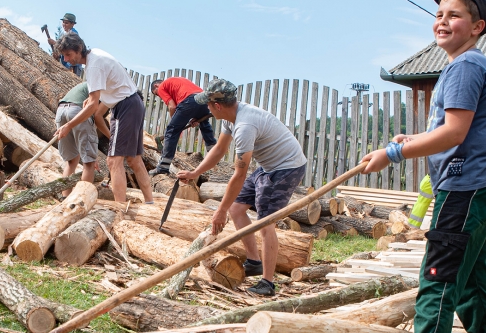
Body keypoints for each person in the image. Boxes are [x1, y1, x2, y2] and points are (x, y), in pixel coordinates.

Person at [360, 0, 486, 333]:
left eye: (454, 15)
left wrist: (392, 153)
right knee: (474, 285)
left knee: (438, 280)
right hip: (480, 184)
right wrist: (414, 138)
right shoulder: (467, 66)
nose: (442, 21)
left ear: (477, 27)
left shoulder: (465, 67)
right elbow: (453, 128)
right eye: (439, 14)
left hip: (464, 187)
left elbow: (454, 133)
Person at [177, 79, 307, 296]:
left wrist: (220, 211)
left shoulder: (245, 126)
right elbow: (219, 150)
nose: (206, 108)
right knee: (237, 209)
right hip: (268, 166)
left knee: (265, 223)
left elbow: (239, 174)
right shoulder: (231, 116)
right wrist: (195, 173)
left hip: (286, 168)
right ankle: (254, 262)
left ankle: (267, 283)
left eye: (208, 104)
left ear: (217, 105)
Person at [53, 32, 154, 204]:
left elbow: (93, 106)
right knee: (134, 158)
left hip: (126, 106)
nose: (66, 59)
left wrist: (69, 125)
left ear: (78, 49)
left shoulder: (93, 65)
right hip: (129, 103)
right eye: (64, 55)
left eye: (68, 54)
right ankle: (150, 203)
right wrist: (93, 99)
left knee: (113, 160)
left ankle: (119, 209)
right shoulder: (95, 58)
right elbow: (103, 91)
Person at [149, 76, 216, 175]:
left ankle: (163, 167)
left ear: (156, 85)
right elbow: (192, 102)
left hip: (189, 101)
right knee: (204, 125)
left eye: (157, 94)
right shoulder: (178, 81)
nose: (159, 96)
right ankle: (214, 154)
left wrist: (174, 124)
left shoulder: (162, 86)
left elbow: (172, 106)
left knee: (171, 131)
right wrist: (196, 118)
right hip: (203, 99)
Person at [55, 82, 110, 183]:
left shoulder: (90, 84)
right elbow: (97, 117)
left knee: (71, 161)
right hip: (79, 111)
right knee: (89, 164)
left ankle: (65, 197)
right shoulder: (108, 89)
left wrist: (92, 154)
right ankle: (84, 197)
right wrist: (112, 137)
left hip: (61, 110)